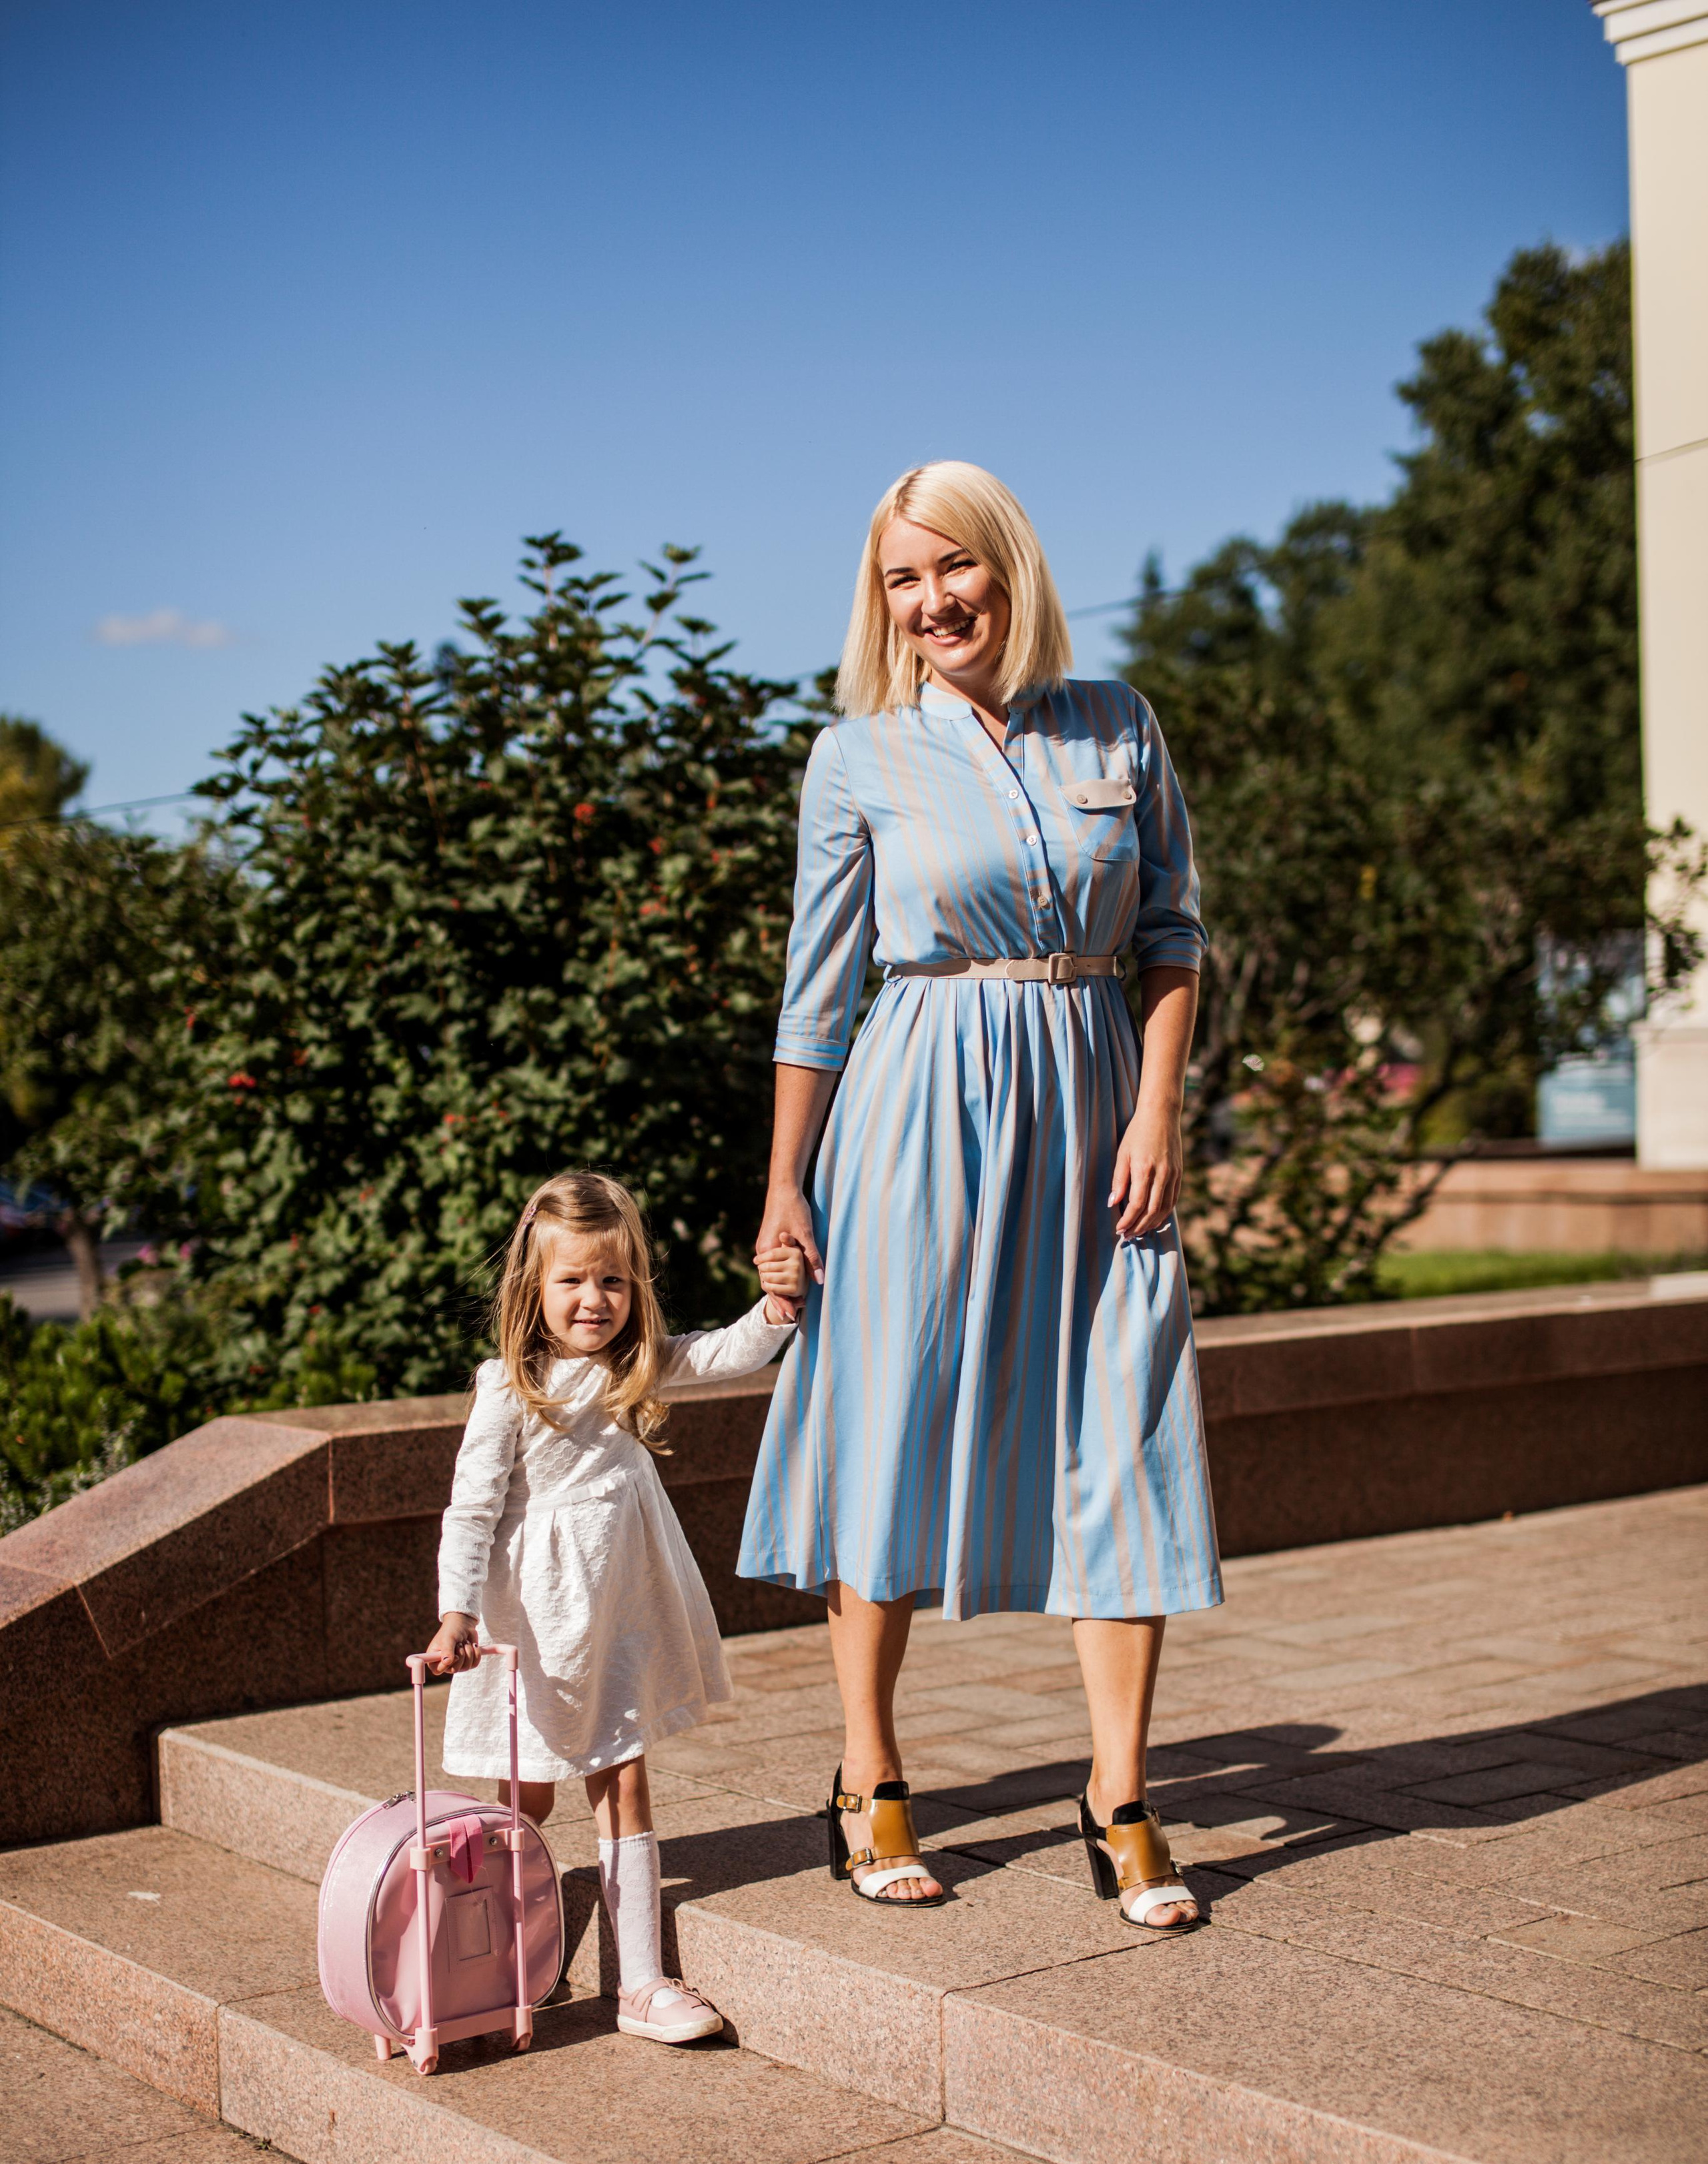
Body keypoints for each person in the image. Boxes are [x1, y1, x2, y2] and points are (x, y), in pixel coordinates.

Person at [739, 460, 1222, 1925]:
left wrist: (1155, 1110)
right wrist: (782, 1190)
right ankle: (867, 1776)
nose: (931, 599)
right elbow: (816, 1000)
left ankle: (1119, 1796)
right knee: (888, 1423)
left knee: (1122, 1424)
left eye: (954, 567)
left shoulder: (1117, 725)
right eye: (902, 577)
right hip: (914, 1117)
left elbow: (1171, 937)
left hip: (1094, 1123)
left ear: (1007, 570)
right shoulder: (856, 757)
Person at [425, 1169, 805, 2041]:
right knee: (523, 1797)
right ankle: (502, 1958)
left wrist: (776, 1311)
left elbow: (724, 1351)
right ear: (534, 1287)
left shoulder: (637, 1366)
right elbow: (472, 1509)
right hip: (535, 1625)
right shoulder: (510, 1388)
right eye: (572, 1280)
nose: (593, 1299)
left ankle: (639, 1983)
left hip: (622, 1610)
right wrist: (457, 1613)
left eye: (612, 1280)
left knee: (623, 1775)